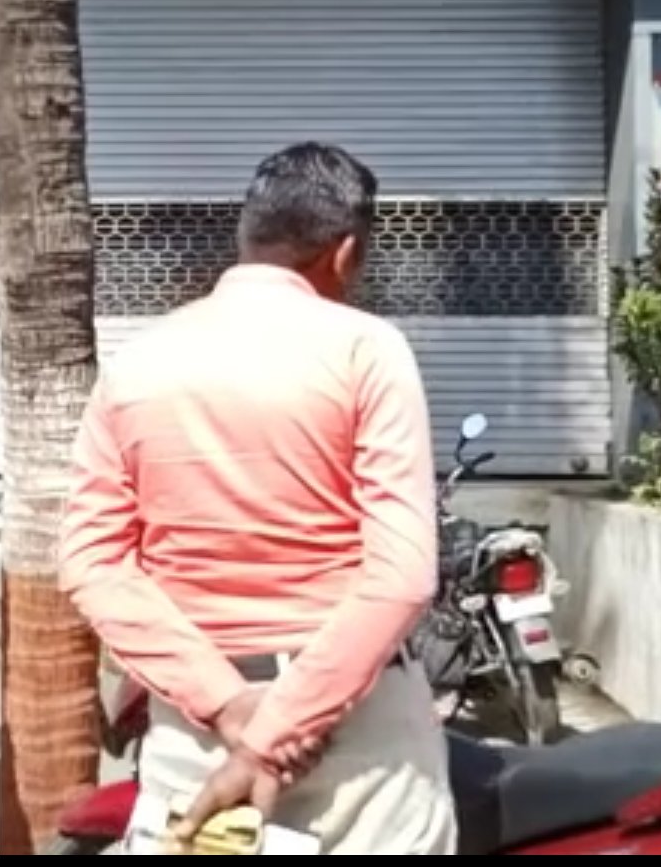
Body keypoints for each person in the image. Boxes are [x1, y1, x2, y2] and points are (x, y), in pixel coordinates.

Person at [58, 141, 455, 854]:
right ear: (345, 255)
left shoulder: (138, 362)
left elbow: (92, 564)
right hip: (358, 745)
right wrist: (277, 736)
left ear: (246, 238)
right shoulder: (368, 348)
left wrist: (233, 707)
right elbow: (401, 578)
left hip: (200, 734)